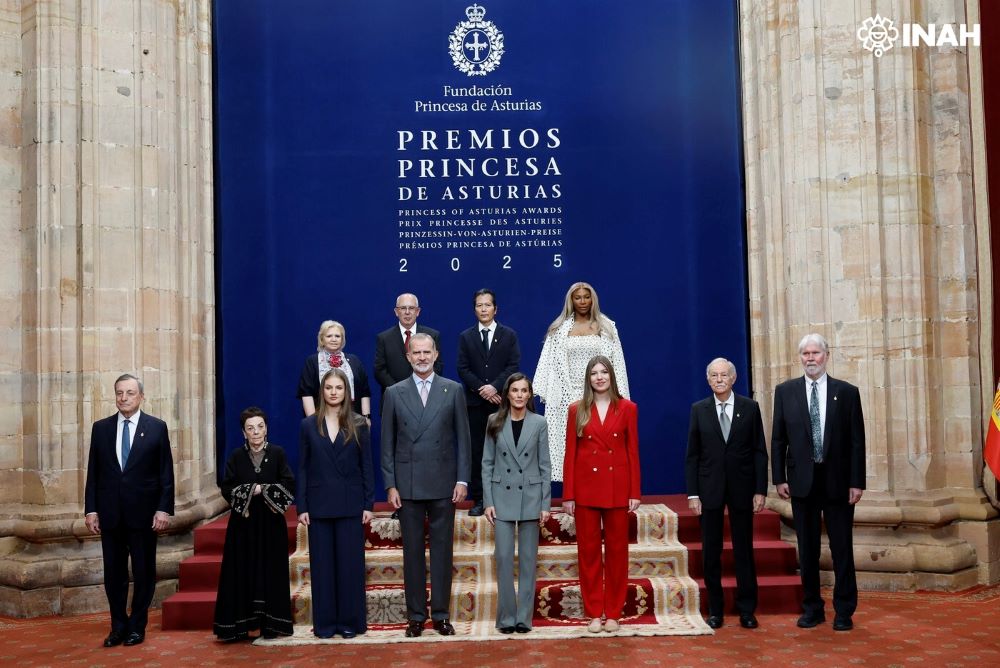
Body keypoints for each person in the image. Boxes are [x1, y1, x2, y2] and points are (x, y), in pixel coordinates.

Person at [771, 333, 865, 631]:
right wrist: (779, 478)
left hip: (838, 482)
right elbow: (778, 439)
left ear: (827, 355)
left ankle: (844, 611)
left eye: (815, 353)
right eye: (805, 353)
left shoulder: (847, 392)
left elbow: (857, 442)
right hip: (801, 483)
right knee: (808, 549)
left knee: (842, 548)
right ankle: (812, 608)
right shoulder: (785, 392)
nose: (810, 358)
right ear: (800, 357)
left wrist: (857, 482)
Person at [380, 333, 471, 637]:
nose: (421, 357)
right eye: (416, 353)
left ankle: (441, 615)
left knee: (443, 553)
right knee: (413, 554)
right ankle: (416, 617)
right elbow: (387, 445)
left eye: (426, 352)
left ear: (435, 354)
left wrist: (462, 479)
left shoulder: (452, 389)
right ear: (408, 357)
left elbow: (464, 439)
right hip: (408, 485)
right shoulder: (394, 393)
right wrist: (390, 485)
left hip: (444, 483)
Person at [84, 374, 174, 648]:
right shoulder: (101, 428)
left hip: (144, 515)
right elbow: (93, 472)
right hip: (110, 515)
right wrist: (91, 510)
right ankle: (118, 627)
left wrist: (163, 509)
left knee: (144, 573)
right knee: (114, 575)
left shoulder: (156, 428)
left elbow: (165, 473)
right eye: (119, 393)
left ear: (141, 397)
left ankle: (137, 626)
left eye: (130, 393)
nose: (124, 398)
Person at [685, 358, 768, 630]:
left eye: (724, 375)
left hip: (742, 489)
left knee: (744, 550)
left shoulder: (750, 407)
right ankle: (716, 610)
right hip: (709, 489)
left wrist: (760, 490)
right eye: (714, 375)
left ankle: (747, 610)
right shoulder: (699, 409)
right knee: (711, 552)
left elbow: (759, 451)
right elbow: (693, 456)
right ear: (708, 380)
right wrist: (693, 494)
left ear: (733, 378)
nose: (719, 379)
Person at [562, 356, 640, 633]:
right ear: (588, 379)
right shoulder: (577, 410)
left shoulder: (628, 408)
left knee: (618, 553)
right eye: (594, 373)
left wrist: (634, 491)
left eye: (603, 372)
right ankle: (594, 612)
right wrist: (568, 495)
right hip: (586, 490)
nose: (599, 377)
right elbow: (570, 454)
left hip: (617, 489)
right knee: (589, 554)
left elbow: (632, 452)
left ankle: (614, 613)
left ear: (611, 376)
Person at [297, 368, 375, 639]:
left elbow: (366, 466)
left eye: (338, 388)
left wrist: (368, 504)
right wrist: (302, 506)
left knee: (350, 567)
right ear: (322, 391)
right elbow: (303, 468)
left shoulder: (359, 423)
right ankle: (326, 624)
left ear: (346, 392)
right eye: (329, 387)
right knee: (323, 568)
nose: (333, 392)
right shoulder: (308, 425)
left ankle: (350, 623)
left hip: (350, 504)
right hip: (318, 506)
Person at [213, 407, 295, 642]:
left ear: (266, 429)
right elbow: (227, 488)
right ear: (244, 432)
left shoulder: (278, 453)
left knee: (271, 573)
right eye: (250, 428)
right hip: (243, 527)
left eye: (260, 427)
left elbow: (289, 484)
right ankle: (239, 626)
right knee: (242, 573)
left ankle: (271, 625)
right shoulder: (236, 456)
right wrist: (251, 490)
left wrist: (264, 490)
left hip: (271, 525)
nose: (256, 432)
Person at [533, 282, 629, 480]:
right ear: (571, 301)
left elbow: (617, 363)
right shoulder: (559, 329)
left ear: (593, 300)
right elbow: (549, 363)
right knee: (570, 447)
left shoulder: (606, 327)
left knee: (598, 444)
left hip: (600, 395)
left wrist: (620, 396)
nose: (583, 301)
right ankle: (574, 490)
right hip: (567, 396)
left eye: (587, 297)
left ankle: (599, 486)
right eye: (578, 298)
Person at [482, 373, 550, 634]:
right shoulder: (494, 421)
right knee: (503, 558)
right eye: (515, 390)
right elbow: (487, 463)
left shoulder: (539, 423)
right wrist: (488, 501)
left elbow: (544, 465)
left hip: (531, 497)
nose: (519, 395)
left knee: (528, 560)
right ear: (507, 394)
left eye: (524, 390)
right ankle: (506, 617)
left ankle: (524, 618)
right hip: (501, 497)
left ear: (529, 394)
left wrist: (545, 504)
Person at [457, 288, 521, 517]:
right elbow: (462, 368)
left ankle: (505, 497)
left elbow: (513, 365)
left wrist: (495, 386)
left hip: (500, 403)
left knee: (505, 450)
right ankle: (480, 499)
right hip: (475, 405)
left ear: (495, 309)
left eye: (487, 305)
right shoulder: (466, 337)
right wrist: (482, 389)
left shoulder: (509, 335)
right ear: (474, 309)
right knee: (477, 452)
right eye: (479, 305)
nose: (483, 309)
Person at [297, 320, 371, 421]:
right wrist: (312, 422)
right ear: (322, 339)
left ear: (342, 339)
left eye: (337, 336)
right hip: (321, 420)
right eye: (329, 336)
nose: (333, 339)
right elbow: (306, 393)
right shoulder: (312, 361)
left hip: (353, 419)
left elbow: (364, 392)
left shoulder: (354, 360)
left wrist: (366, 418)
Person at [374, 292, 443, 399]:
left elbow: (438, 366)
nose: (407, 312)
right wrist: (398, 391)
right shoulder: (384, 338)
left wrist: (420, 387)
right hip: (394, 397)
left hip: (425, 395)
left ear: (418, 311)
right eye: (403, 308)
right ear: (396, 312)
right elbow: (380, 370)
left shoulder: (432, 335)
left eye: (411, 308)